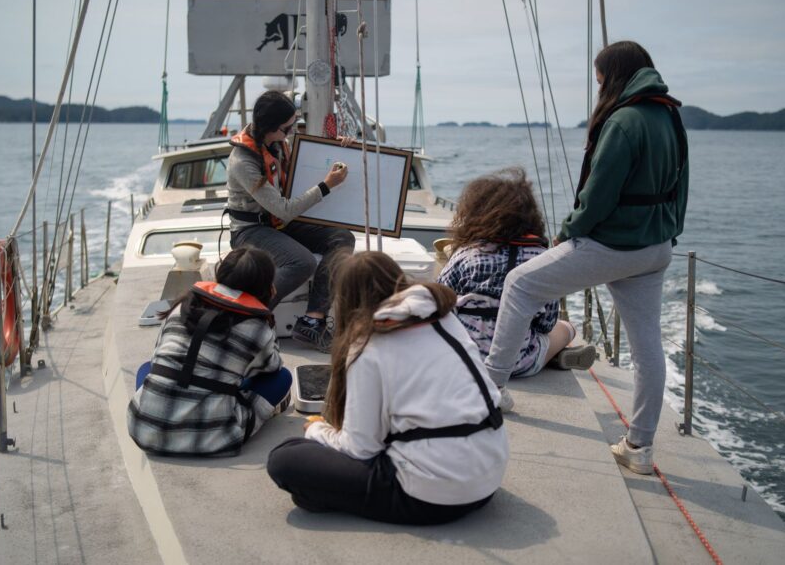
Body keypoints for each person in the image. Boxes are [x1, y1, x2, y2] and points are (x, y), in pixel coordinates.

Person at [483, 41, 688, 475]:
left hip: (614, 246)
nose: (599, 90)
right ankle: (639, 446)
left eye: (600, 81)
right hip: (656, 248)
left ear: (613, 76)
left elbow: (597, 197)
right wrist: (669, 233)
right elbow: (680, 186)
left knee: (519, 284)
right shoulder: (669, 114)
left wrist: (566, 234)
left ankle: (491, 388)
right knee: (646, 346)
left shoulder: (624, 121)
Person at [266, 252, 509, 525]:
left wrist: (316, 430)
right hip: (489, 473)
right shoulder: (445, 319)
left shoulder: (368, 346)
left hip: (431, 495)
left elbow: (361, 450)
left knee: (285, 458)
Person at [437, 168, 596, 410]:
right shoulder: (542, 258)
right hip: (520, 361)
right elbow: (546, 323)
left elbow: (439, 304)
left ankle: (552, 357)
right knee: (566, 327)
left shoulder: (466, 254)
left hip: (463, 358)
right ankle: (554, 355)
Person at [127, 248, 291, 456]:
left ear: (220, 274)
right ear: (266, 287)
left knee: (148, 368)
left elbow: (160, 353)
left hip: (145, 430)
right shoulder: (257, 327)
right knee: (282, 378)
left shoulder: (180, 308)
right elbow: (271, 367)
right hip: (215, 438)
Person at [227, 90, 356, 353]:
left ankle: (312, 322)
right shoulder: (243, 162)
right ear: (271, 128)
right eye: (287, 128)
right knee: (302, 261)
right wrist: (326, 186)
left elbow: (307, 154)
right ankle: (249, 322)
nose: (291, 132)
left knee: (342, 238)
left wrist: (337, 146)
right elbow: (284, 210)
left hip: (277, 224)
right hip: (251, 229)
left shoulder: (276, 141)